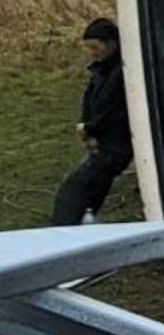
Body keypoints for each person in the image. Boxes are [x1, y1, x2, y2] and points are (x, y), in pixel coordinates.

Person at [50, 19, 133, 226]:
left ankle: (63, 233)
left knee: (71, 194)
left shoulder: (122, 73)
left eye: (96, 47)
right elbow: (91, 100)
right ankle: (83, 225)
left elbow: (114, 111)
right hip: (102, 141)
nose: (92, 53)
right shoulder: (102, 70)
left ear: (112, 43)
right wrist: (88, 130)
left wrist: (90, 128)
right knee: (90, 189)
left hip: (115, 146)